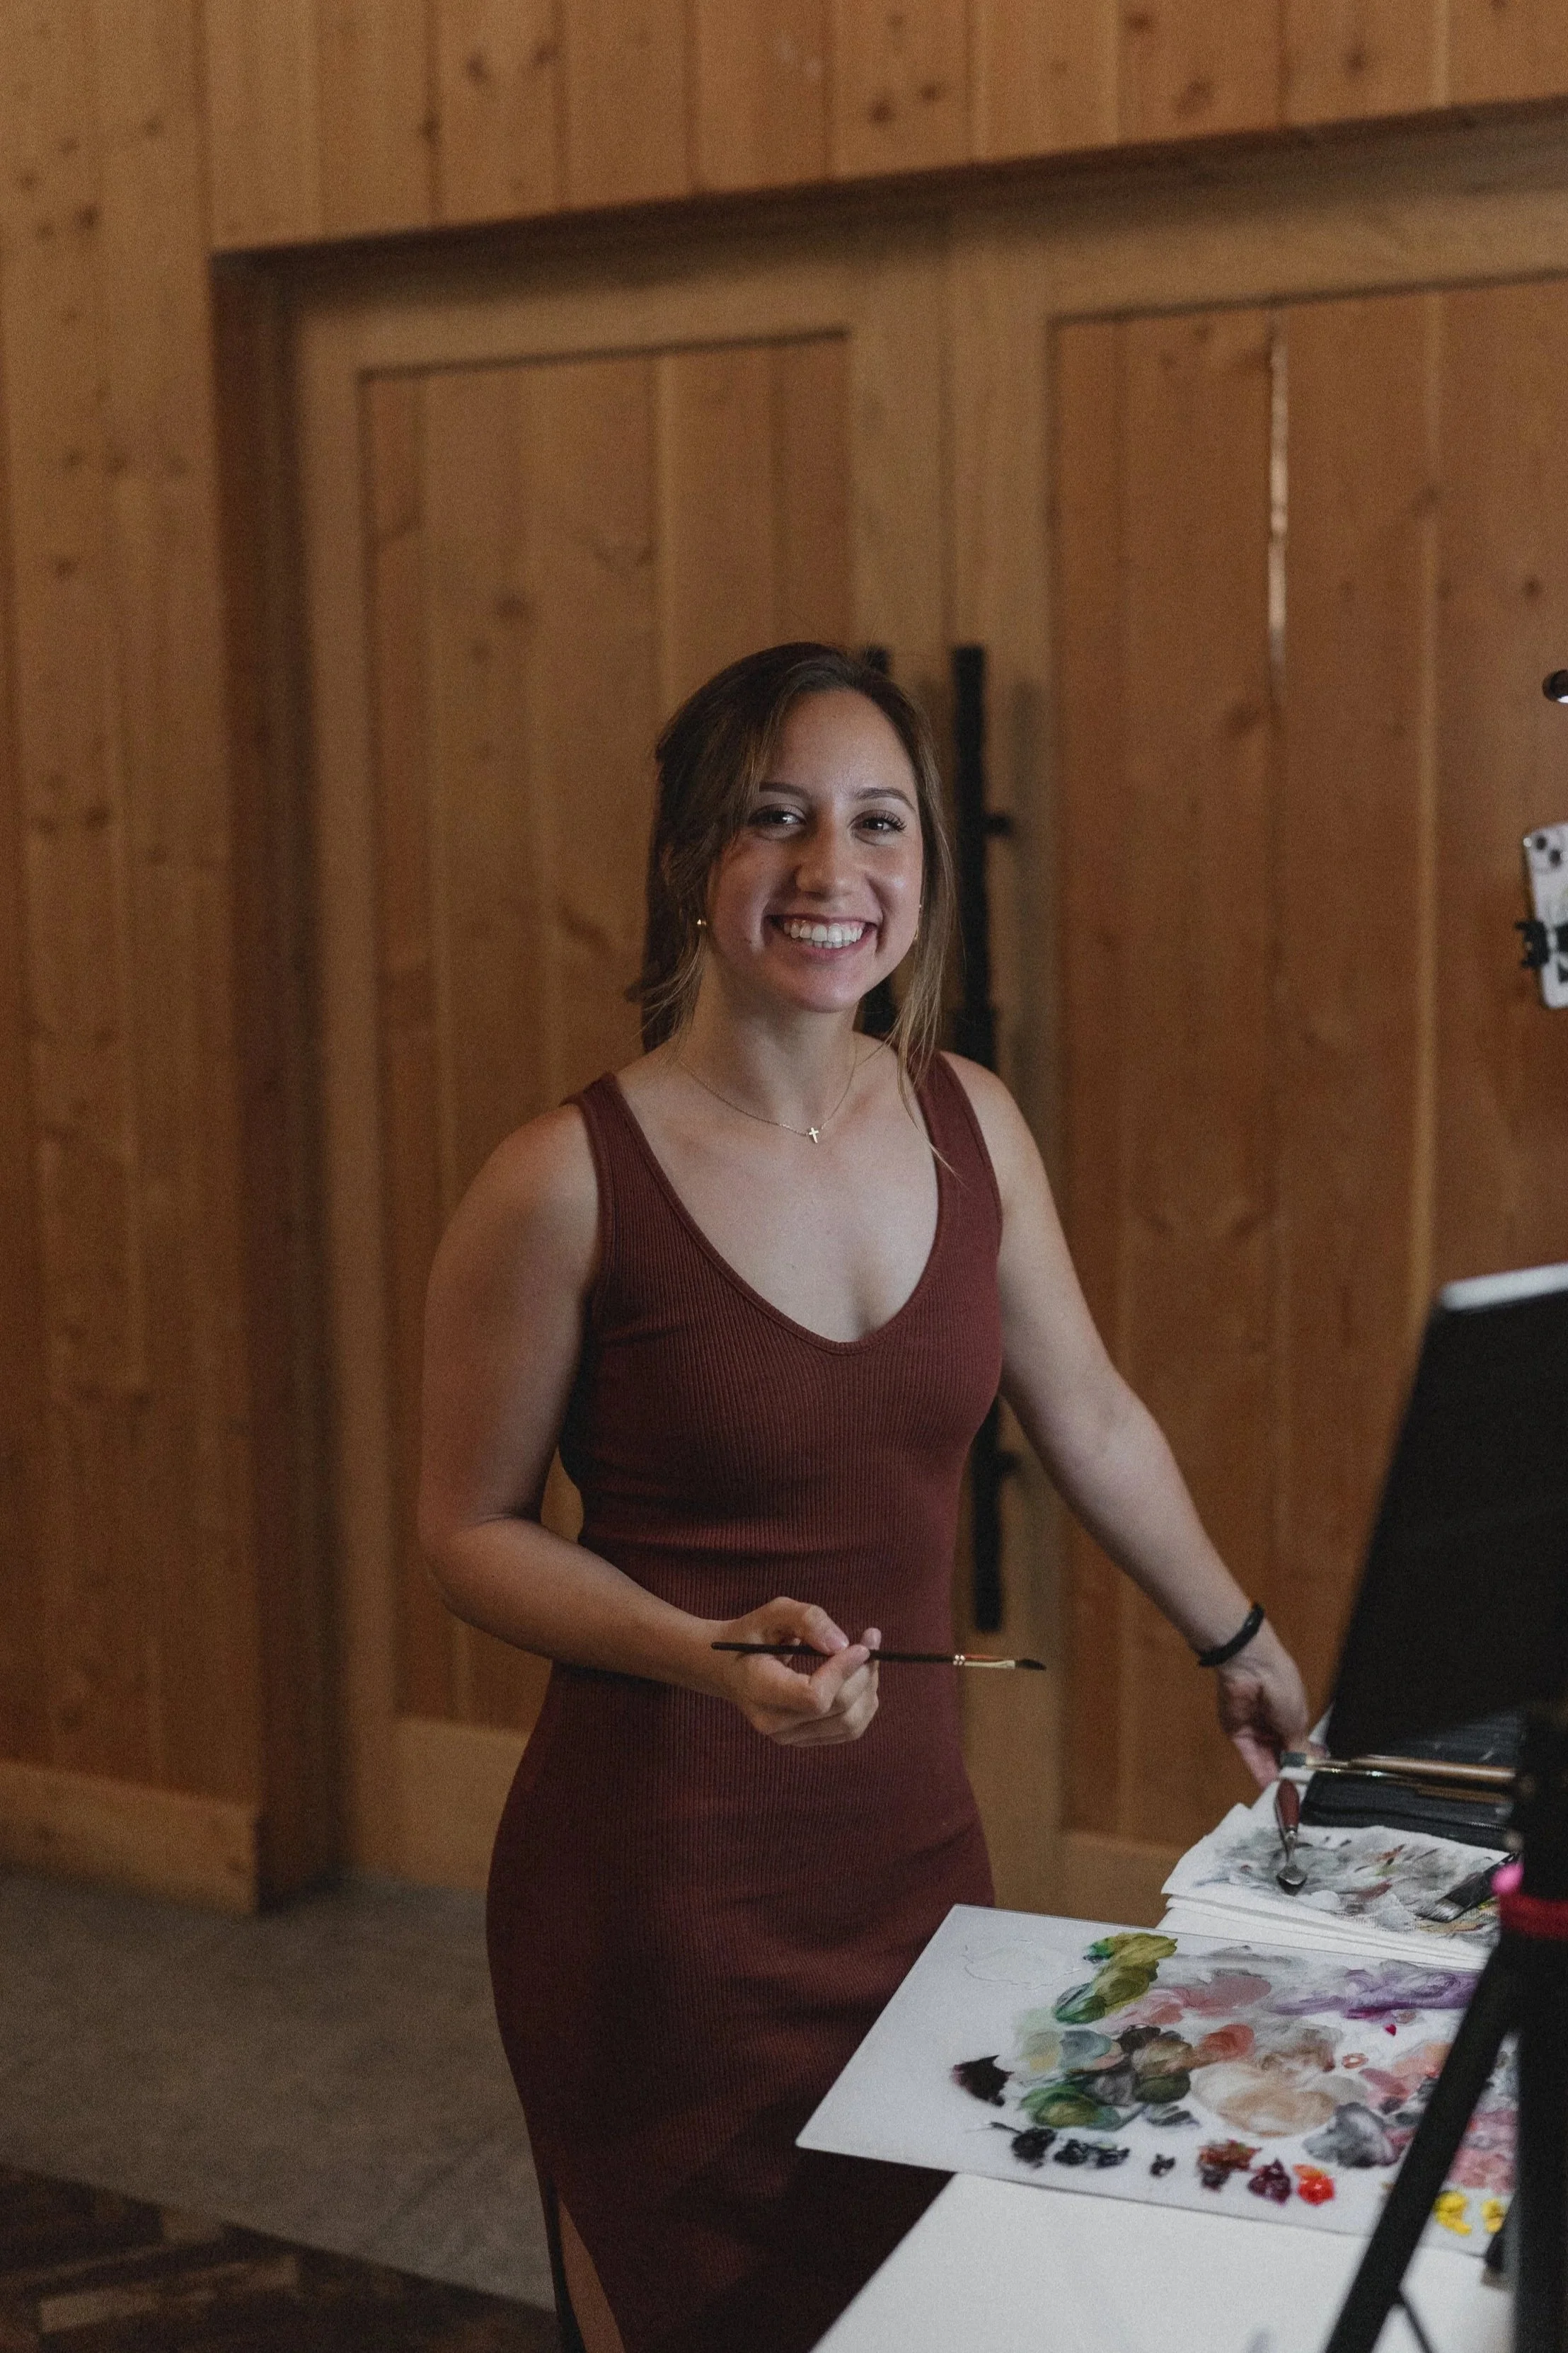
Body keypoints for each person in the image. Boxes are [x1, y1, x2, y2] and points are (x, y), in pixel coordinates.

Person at [417, 645, 1310, 2353]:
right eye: (777, 820)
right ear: (690, 860)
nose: (836, 873)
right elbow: (466, 1530)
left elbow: (1094, 1415)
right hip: (658, 1901)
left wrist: (1240, 1632)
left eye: (877, 822)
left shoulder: (967, 1117)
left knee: (913, 2314)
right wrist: (700, 1655)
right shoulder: (556, 1181)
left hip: (915, 1873)